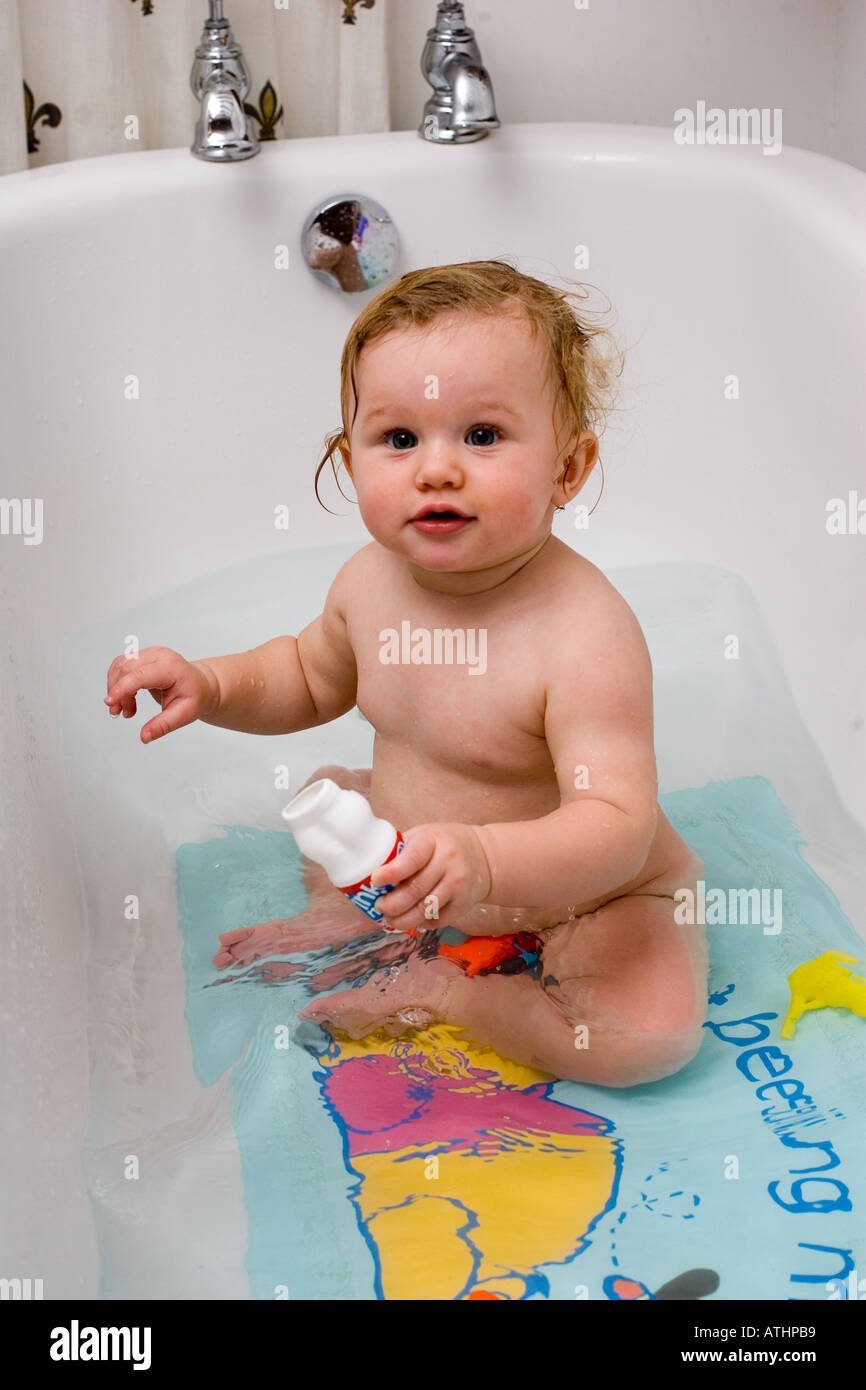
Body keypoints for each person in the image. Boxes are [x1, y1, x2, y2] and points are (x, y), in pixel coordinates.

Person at [104, 259, 708, 1088]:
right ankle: (357, 923)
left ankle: (453, 995)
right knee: (328, 791)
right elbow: (306, 676)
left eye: (483, 435)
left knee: (646, 1038)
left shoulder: (584, 634)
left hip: (591, 894)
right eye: (399, 439)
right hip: (416, 859)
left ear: (568, 468)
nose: (436, 469)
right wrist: (209, 684)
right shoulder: (368, 583)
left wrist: (486, 863)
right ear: (351, 462)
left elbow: (616, 824)